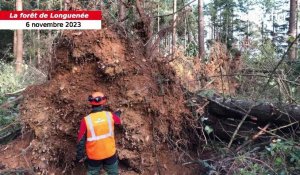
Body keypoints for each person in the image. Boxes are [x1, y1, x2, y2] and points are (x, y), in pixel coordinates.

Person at [76, 91, 121, 175]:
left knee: (93, 172)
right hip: (109, 153)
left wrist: (80, 156)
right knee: (113, 172)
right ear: (103, 103)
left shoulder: (86, 120)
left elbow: (80, 140)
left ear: (91, 104)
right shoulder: (110, 115)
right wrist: (117, 114)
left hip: (94, 155)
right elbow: (118, 121)